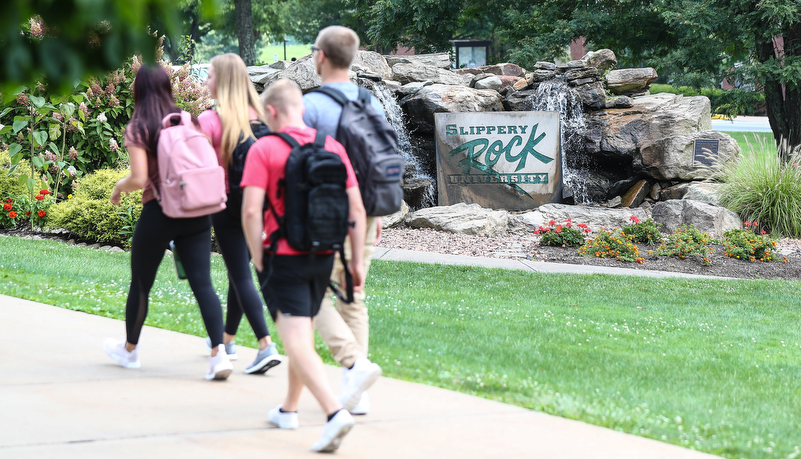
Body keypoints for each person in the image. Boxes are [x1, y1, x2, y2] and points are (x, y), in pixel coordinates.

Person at [241, 79, 366, 452]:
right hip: (325, 254)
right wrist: (356, 262)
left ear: (273, 111)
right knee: (304, 334)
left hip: (283, 256)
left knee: (295, 340)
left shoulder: (264, 148)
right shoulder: (331, 146)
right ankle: (288, 409)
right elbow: (356, 209)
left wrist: (258, 255)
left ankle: (334, 414)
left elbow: (250, 210)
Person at [103, 64, 233, 381]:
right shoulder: (187, 119)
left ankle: (130, 350)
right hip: (197, 210)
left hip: (160, 213)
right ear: (167, 87)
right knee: (203, 282)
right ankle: (219, 355)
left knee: (141, 284)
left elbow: (140, 178)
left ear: (138, 89)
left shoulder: (139, 126)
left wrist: (119, 186)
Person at [302, 25, 383, 415]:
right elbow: (381, 163)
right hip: (365, 210)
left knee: (307, 291)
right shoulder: (371, 101)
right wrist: (377, 212)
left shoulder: (312, 106)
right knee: (353, 293)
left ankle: (355, 364)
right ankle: (358, 392)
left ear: (320, 55)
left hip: (323, 214)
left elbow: (296, 164)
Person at [198, 53, 282, 374]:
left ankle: (265, 345)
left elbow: (199, 169)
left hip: (228, 204)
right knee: (240, 273)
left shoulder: (211, 120)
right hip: (260, 204)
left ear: (222, 81)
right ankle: (228, 340)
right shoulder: (262, 118)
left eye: (208, 76)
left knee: (240, 274)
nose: (205, 82)